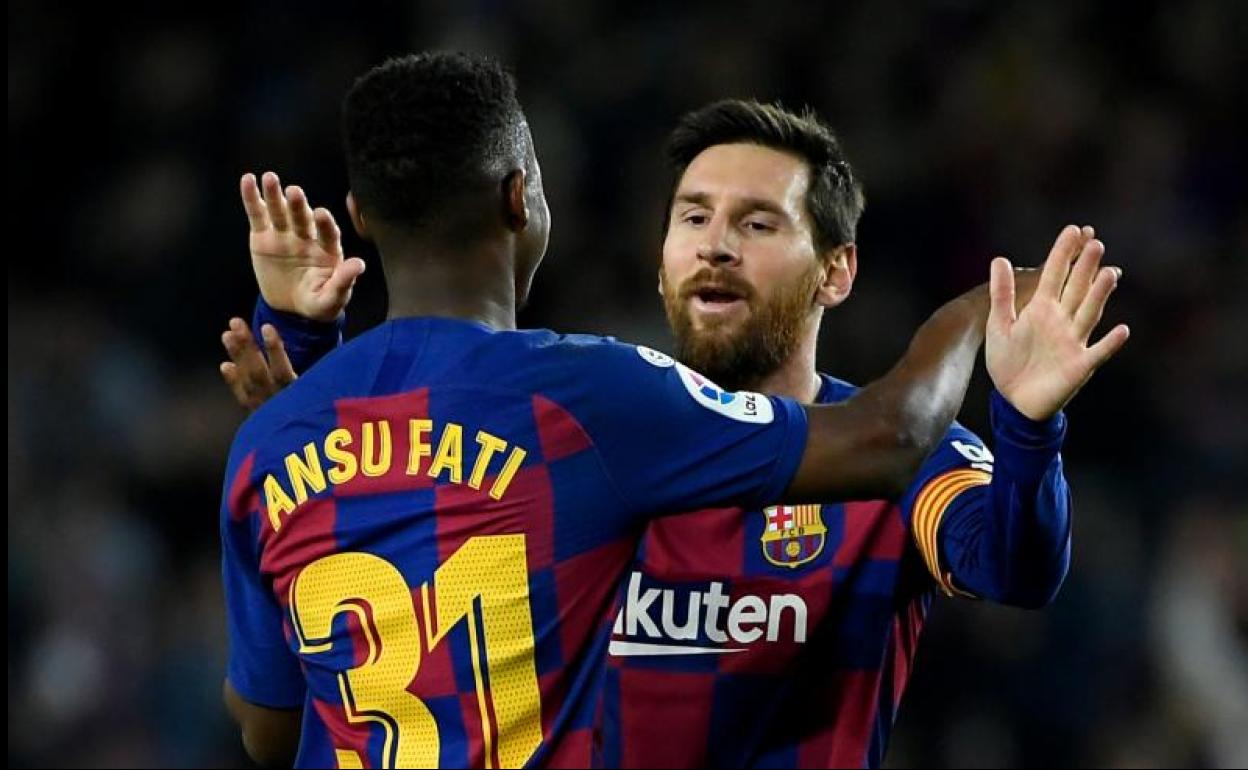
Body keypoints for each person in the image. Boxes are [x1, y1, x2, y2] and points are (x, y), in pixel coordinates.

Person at [219, 53, 1127, 769]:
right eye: (693, 217)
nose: (716, 247)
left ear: (836, 270)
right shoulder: (588, 425)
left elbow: (1014, 566)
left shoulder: (884, 452)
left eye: (758, 223)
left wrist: (1027, 429)